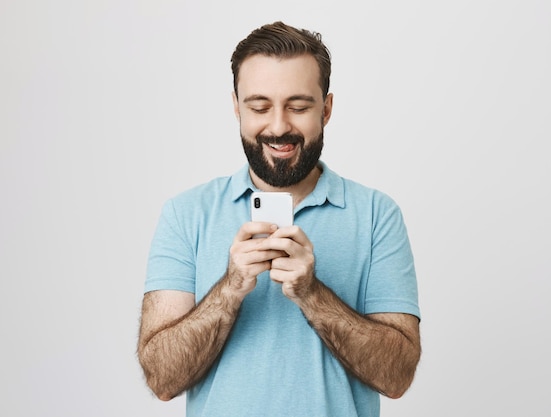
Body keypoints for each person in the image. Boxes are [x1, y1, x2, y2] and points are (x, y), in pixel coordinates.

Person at [137, 21, 421, 417]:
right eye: (259, 106)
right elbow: (161, 378)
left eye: (299, 106)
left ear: (327, 108)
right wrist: (230, 288)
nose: (278, 126)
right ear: (236, 107)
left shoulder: (377, 215)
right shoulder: (186, 213)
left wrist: (312, 295)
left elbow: (398, 376)